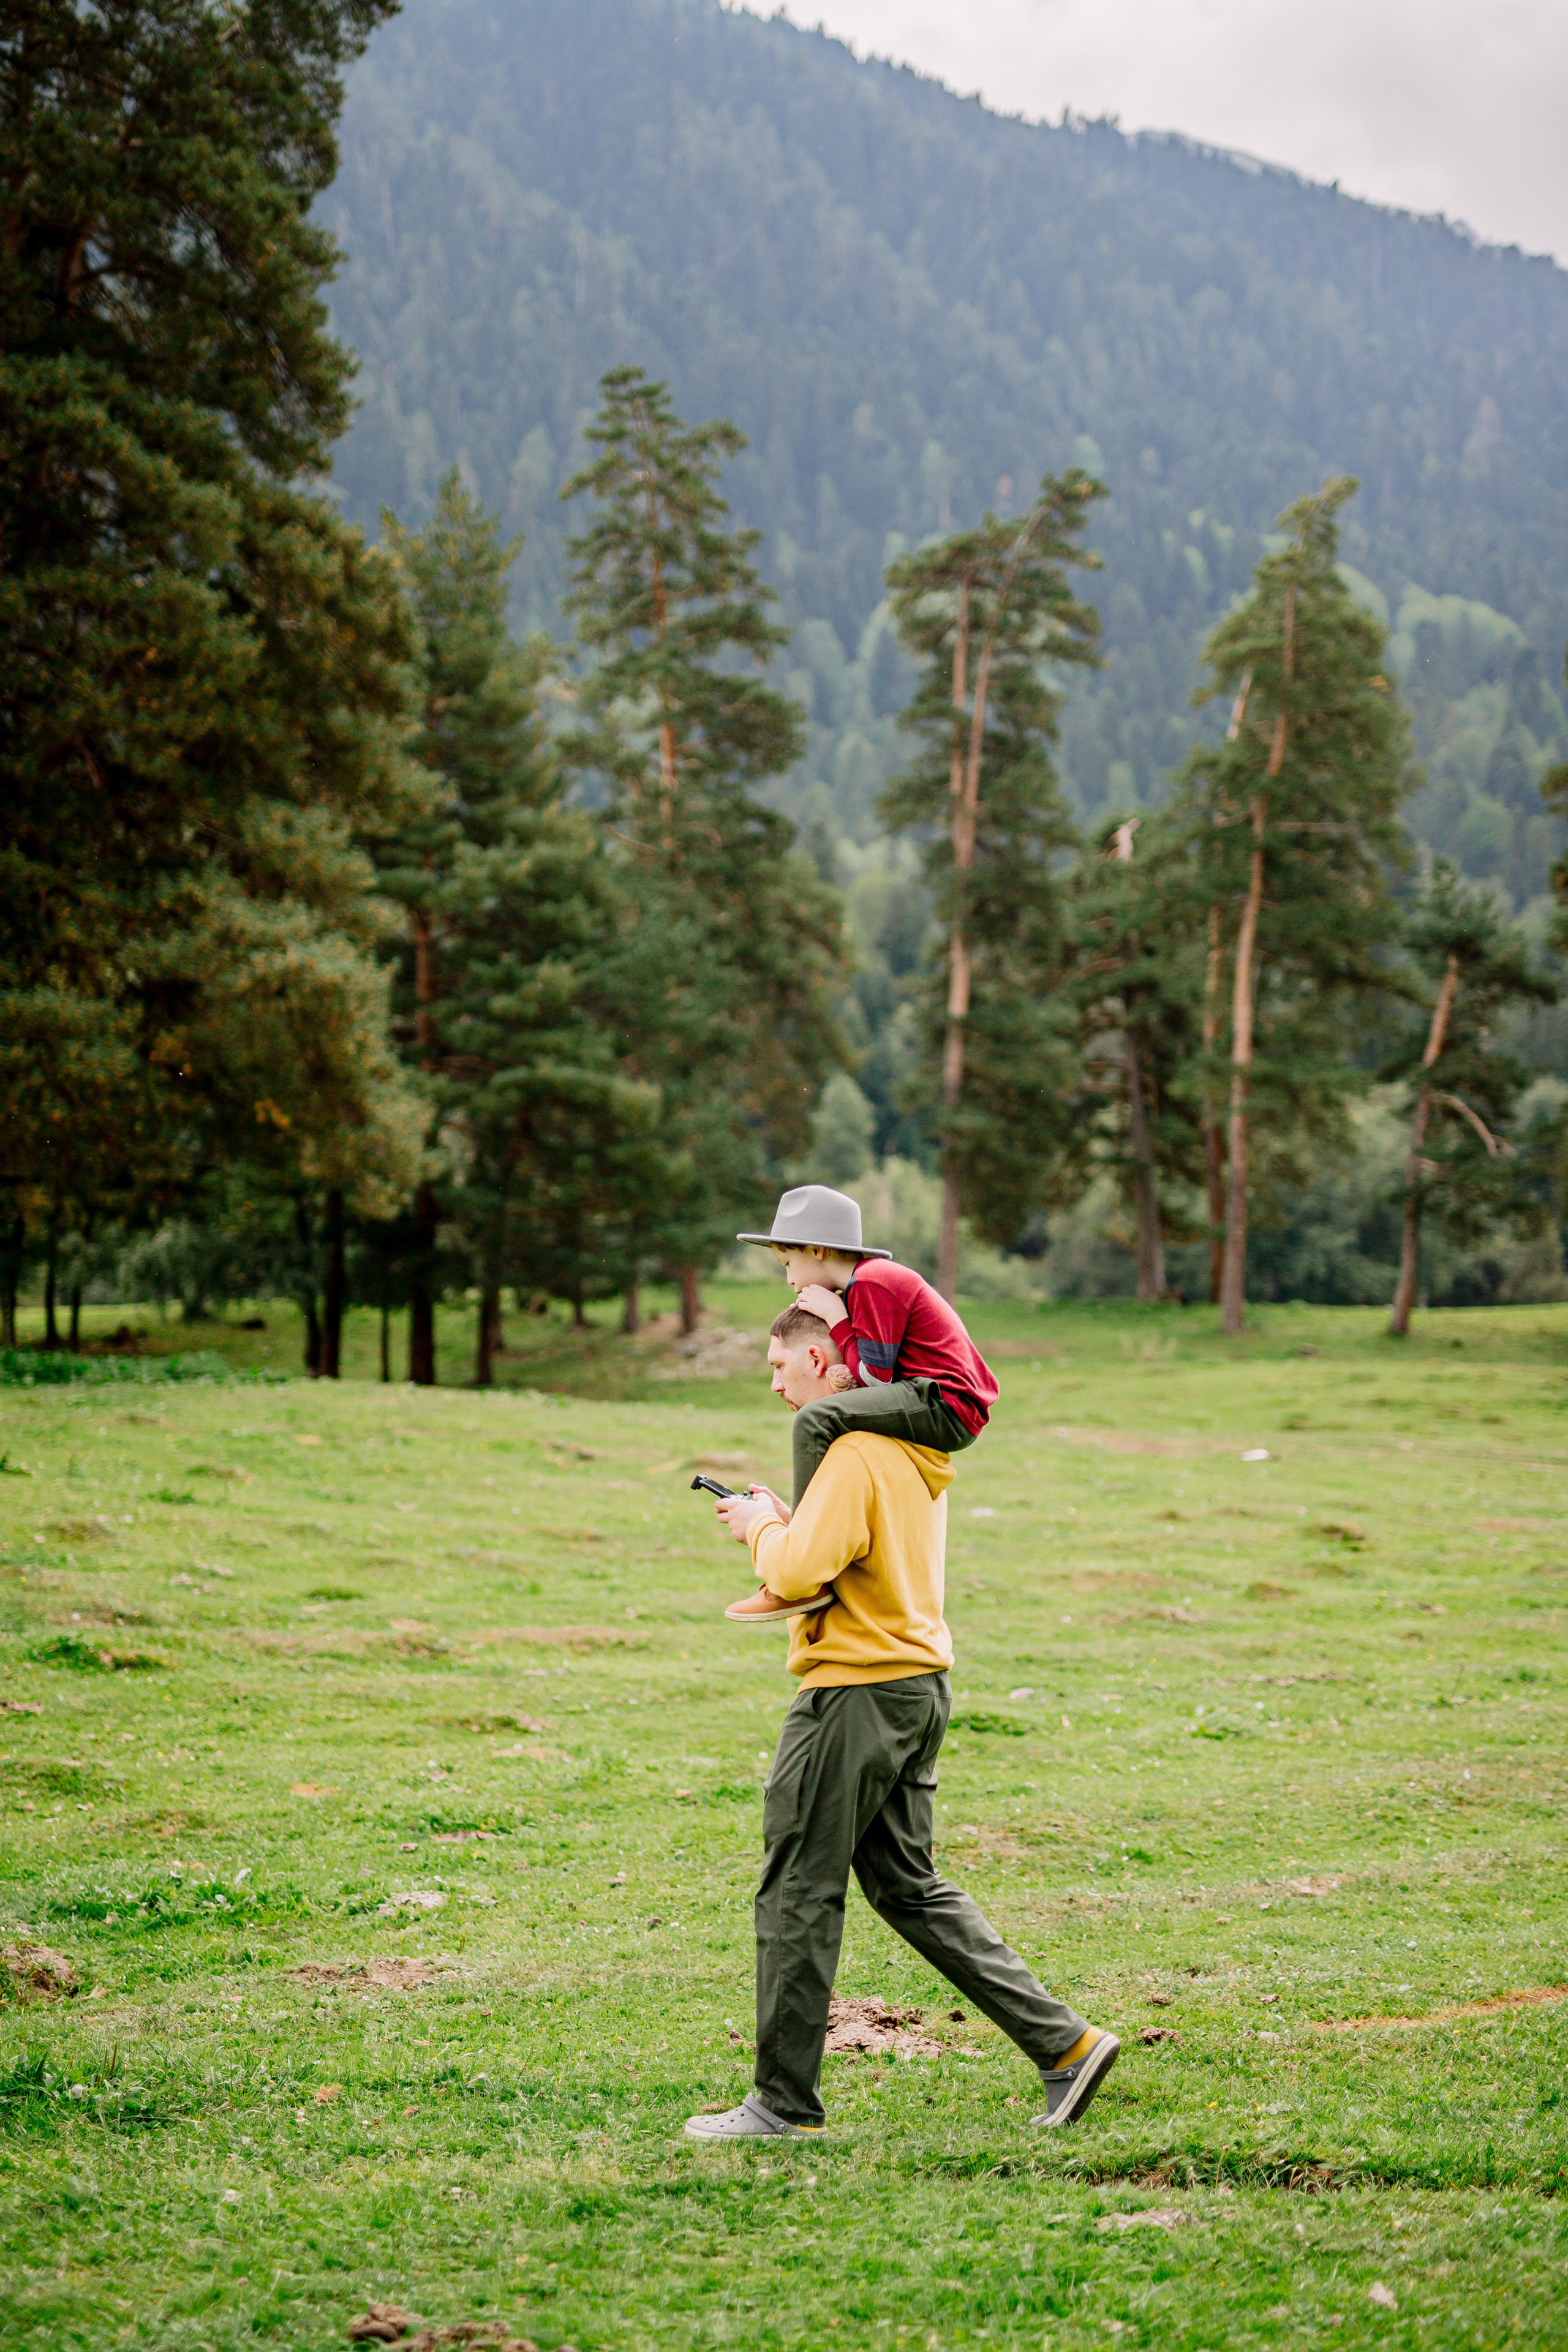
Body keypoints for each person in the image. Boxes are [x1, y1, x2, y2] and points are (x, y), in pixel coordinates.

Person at [684, 1303, 1119, 2141]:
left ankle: (781, 2105)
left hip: (854, 1692)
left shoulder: (851, 1450)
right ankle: (1065, 2045)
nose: (775, 1385)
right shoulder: (909, 1451)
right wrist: (788, 1519)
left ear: (822, 1361)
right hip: (916, 1688)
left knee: (797, 1888)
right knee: (907, 1887)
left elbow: (802, 1572)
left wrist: (760, 1526)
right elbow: (855, 1553)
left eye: (780, 1367)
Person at [723, 1182, 998, 1627]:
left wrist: (836, 1318)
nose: (789, 1279)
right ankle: (807, 1537)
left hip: (945, 1402)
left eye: (788, 1263)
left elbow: (873, 1378)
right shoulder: (865, 1286)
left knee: (816, 1418)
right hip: (934, 1399)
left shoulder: (874, 1281)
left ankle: (800, 1549)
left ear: (816, 1250)